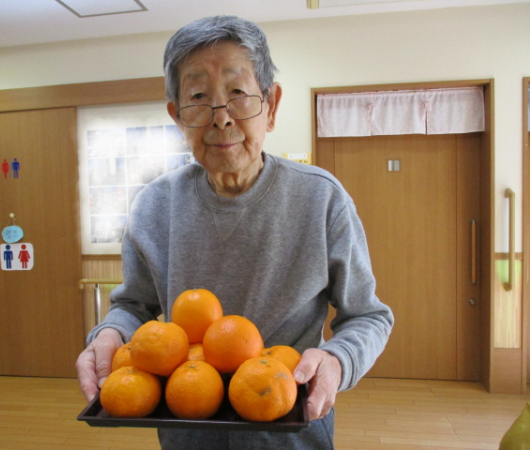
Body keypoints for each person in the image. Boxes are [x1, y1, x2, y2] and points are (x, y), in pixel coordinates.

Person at [76, 15, 394, 450]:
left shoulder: (321, 198)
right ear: (177, 117)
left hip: (289, 426)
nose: (221, 118)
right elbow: (133, 306)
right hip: (187, 424)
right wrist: (110, 334)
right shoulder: (154, 206)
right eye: (198, 97)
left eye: (238, 93)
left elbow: (368, 315)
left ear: (271, 106)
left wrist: (339, 359)